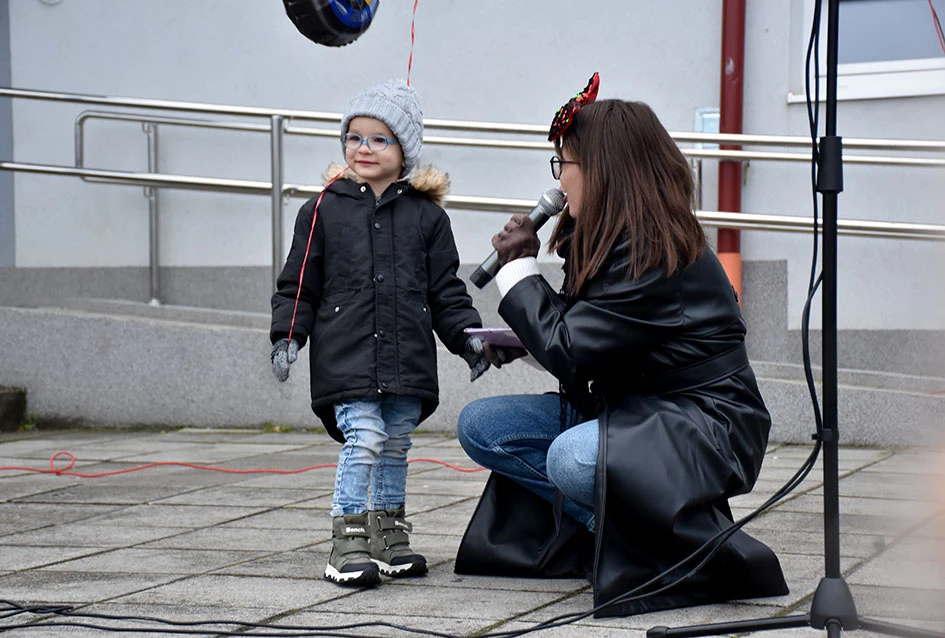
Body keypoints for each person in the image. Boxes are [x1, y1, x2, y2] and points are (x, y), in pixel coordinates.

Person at [454, 73, 789, 617]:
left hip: (704, 422)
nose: (559, 182)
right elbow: (591, 336)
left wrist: (518, 270)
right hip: (636, 412)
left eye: (566, 164)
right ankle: (620, 532)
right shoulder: (613, 240)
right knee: (482, 427)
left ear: (607, 171)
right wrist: (523, 339)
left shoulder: (654, 251)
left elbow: (574, 347)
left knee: (571, 457)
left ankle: (677, 551)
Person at [269, 79, 498, 588]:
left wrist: (468, 341)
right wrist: (288, 336)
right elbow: (298, 283)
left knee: (395, 443)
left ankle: (388, 531)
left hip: (406, 358)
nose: (363, 148)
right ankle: (347, 535)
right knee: (365, 436)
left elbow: (446, 292)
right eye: (354, 137)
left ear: (405, 151)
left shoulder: (427, 217)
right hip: (347, 356)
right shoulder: (323, 209)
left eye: (379, 139)